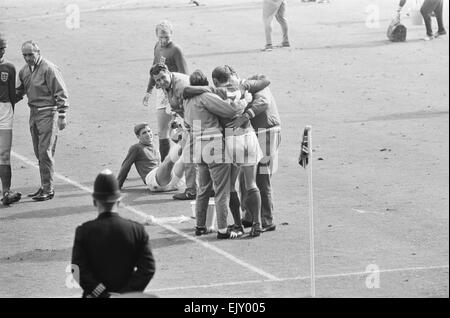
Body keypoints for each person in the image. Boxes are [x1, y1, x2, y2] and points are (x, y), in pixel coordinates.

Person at [71, 169, 155, 298]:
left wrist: (102, 294)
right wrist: (125, 294)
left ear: (95, 201)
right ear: (119, 201)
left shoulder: (84, 231)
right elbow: (148, 268)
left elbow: (78, 270)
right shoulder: (136, 230)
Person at [183, 70, 244, 239]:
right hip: (213, 143)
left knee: (203, 189)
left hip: (197, 146)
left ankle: (200, 226)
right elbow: (230, 111)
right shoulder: (205, 97)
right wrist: (244, 101)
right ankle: (223, 230)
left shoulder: (187, 101)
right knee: (222, 190)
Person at [15, 40, 69, 201]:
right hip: (33, 114)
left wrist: (62, 115)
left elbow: (61, 91)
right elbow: (19, 92)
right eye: (24, 55)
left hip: (48, 113)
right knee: (39, 151)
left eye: (30, 54)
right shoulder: (24, 71)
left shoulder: (49, 68)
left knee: (45, 152)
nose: (27, 58)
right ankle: (44, 185)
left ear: (38, 52)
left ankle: (48, 189)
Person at [229, 73, 281, 233]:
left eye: (231, 81)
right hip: (252, 135)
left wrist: (246, 115)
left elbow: (263, 102)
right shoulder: (235, 91)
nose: (230, 86)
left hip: (267, 132)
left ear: (236, 76)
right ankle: (250, 217)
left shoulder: (256, 82)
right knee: (245, 177)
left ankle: (266, 220)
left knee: (261, 177)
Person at [149, 62, 197, 200]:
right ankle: (206, 188)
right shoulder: (168, 84)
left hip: (196, 122)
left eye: (163, 78)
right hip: (192, 122)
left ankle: (192, 190)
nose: (161, 82)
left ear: (168, 72)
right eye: (157, 80)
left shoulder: (181, 86)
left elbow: (192, 108)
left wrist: (187, 129)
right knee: (196, 155)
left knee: (189, 155)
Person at [143, 20, 189, 162]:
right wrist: (149, 90)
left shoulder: (176, 50)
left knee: (180, 129)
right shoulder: (157, 47)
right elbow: (154, 68)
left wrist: (179, 99)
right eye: (160, 37)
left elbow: (185, 75)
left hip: (176, 90)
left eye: (166, 37)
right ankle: (165, 165)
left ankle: (184, 156)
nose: (163, 40)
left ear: (172, 35)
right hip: (161, 91)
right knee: (163, 131)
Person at [117, 123, 185, 192]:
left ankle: (187, 136)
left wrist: (176, 129)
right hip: (153, 180)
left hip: (169, 182)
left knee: (183, 159)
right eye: (144, 133)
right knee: (169, 160)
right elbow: (125, 166)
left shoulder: (154, 145)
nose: (148, 134)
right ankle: (185, 139)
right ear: (138, 137)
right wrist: (117, 185)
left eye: (149, 131)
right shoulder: (136, 148)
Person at [0, 35, 22, 206]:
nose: (1, 52)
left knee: (4, 155)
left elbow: (12, 95)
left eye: (3, 49)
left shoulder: (9, 67)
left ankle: (6, 192)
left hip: (4, 114)